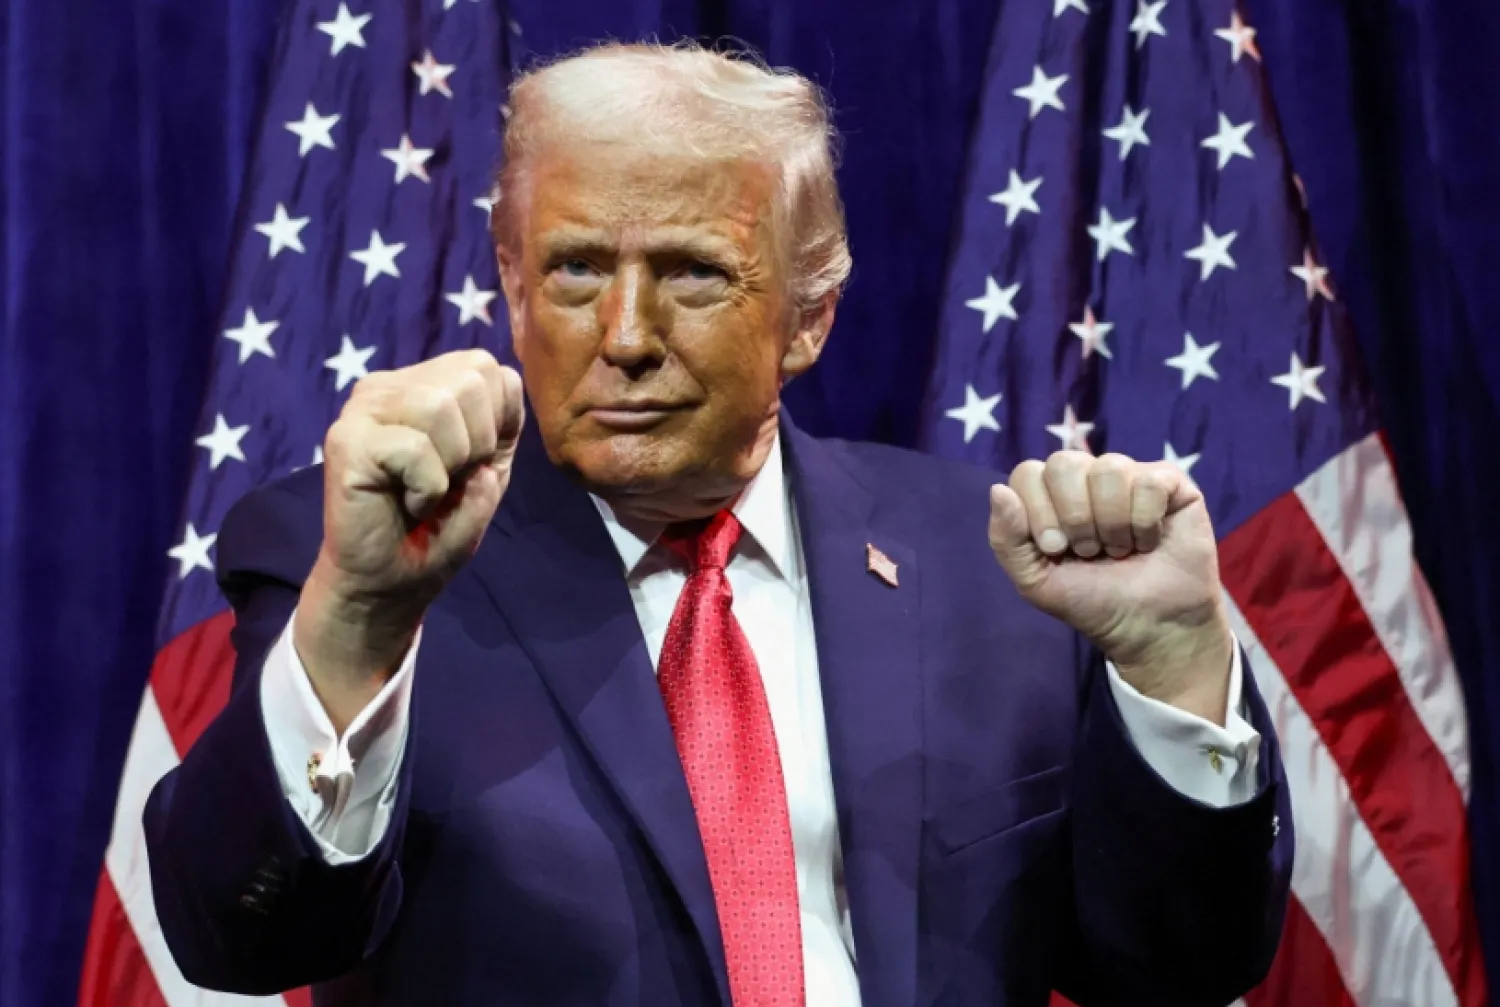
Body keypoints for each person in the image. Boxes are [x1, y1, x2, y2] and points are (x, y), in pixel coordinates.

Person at [145, 42, 1292, 1007]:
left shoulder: (994, 568)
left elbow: (1180, 963)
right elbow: (241, 938)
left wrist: (1175, 667)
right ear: (509, 279)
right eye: (576, 269)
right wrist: (353, 621)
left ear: (808, 316)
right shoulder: (353, 556)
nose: (627, 332)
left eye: (693, 273)